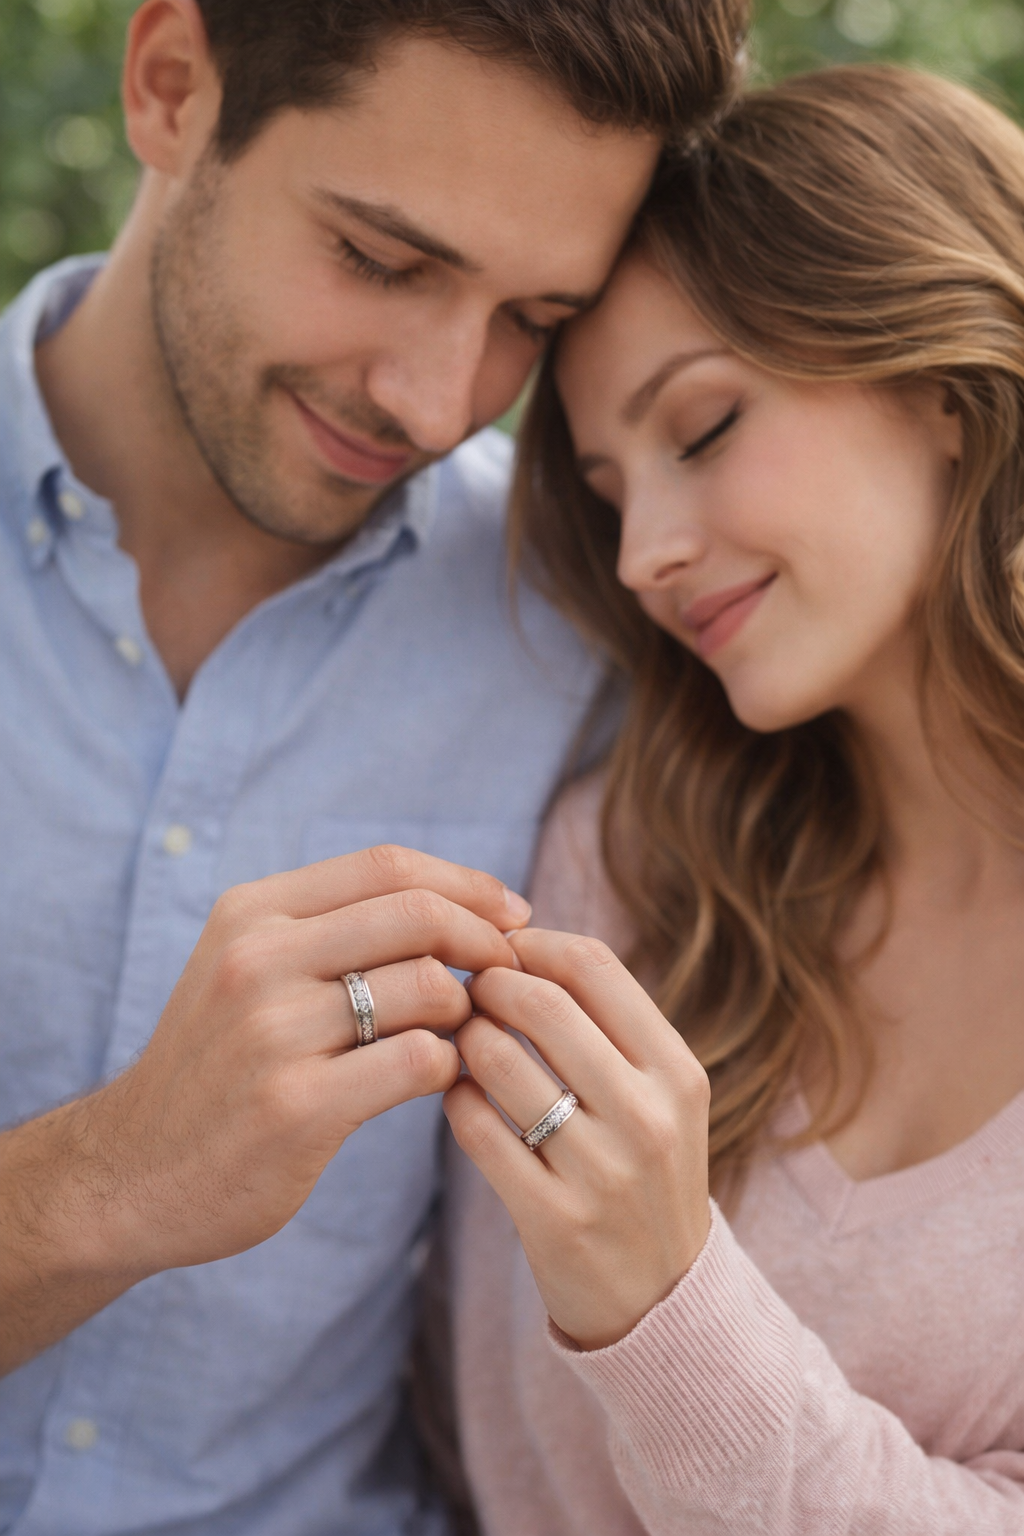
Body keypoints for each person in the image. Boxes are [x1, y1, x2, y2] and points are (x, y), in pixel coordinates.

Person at [0, 0, 750, 1530]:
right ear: (171, 87)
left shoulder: (595, 627)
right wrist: (107, 1185)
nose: (437, 399)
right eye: (381, 259)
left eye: (533, 319)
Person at [443, 65, 1024, 1534]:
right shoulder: (626, 875)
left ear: (946, 389)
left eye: (700, 429)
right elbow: (503, 1463)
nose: (642, 552)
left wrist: (666, 1306)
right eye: (607, 488)